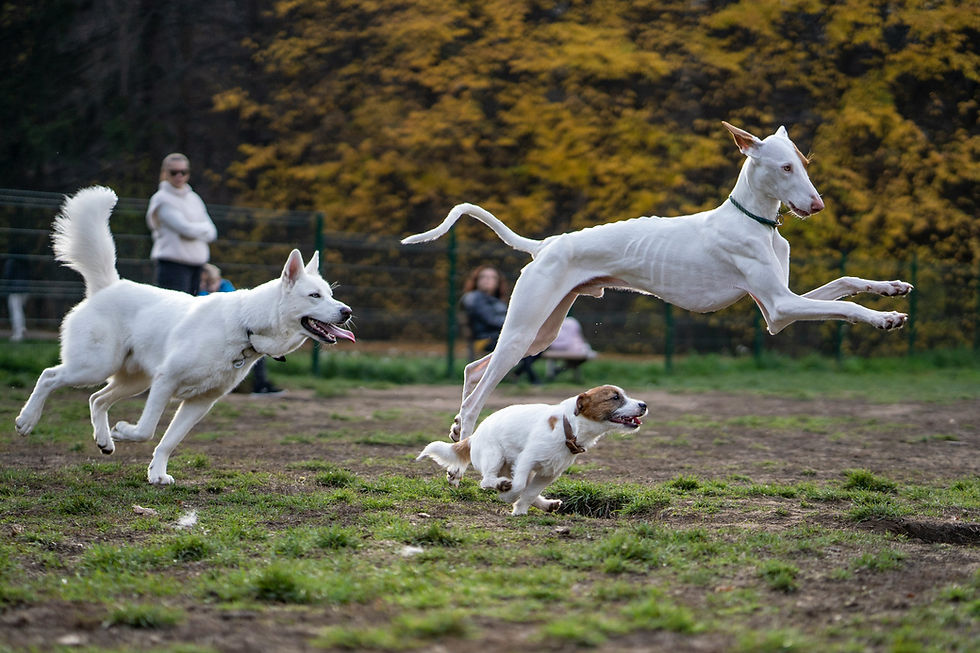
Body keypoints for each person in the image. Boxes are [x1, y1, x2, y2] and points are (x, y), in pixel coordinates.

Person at [199, 263, 283, 395]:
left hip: (234, 331)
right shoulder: (202, 292)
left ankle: (261, 385)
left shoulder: (225, 287)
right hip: (213, 334)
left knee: (257, 348)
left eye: (211, 282)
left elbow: (232, 304)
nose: (208, 286)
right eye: (204, 282)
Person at [146, 153, 217, 295]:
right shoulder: (162, 199)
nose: (179, 176)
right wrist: (201, 229)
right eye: (174, 172)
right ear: (165, 173)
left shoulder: (194, 198)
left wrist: (195, 230)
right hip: (173, 267)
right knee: (173, 312)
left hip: (197, 266)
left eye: (183, 172)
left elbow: (212, 232)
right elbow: (185, 228)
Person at [461, 265, 539, 384]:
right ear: (476, 280)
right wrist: (517, 326)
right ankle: (531, 378)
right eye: (483, 277)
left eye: (492, 277)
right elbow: (490, 320)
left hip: (500, 338)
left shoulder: (497, 300)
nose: (487, 280)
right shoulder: (473, 298)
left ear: (497, 282)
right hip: (484, 340)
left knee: (539, 342)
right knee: (523, 341)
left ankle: (517, 374)